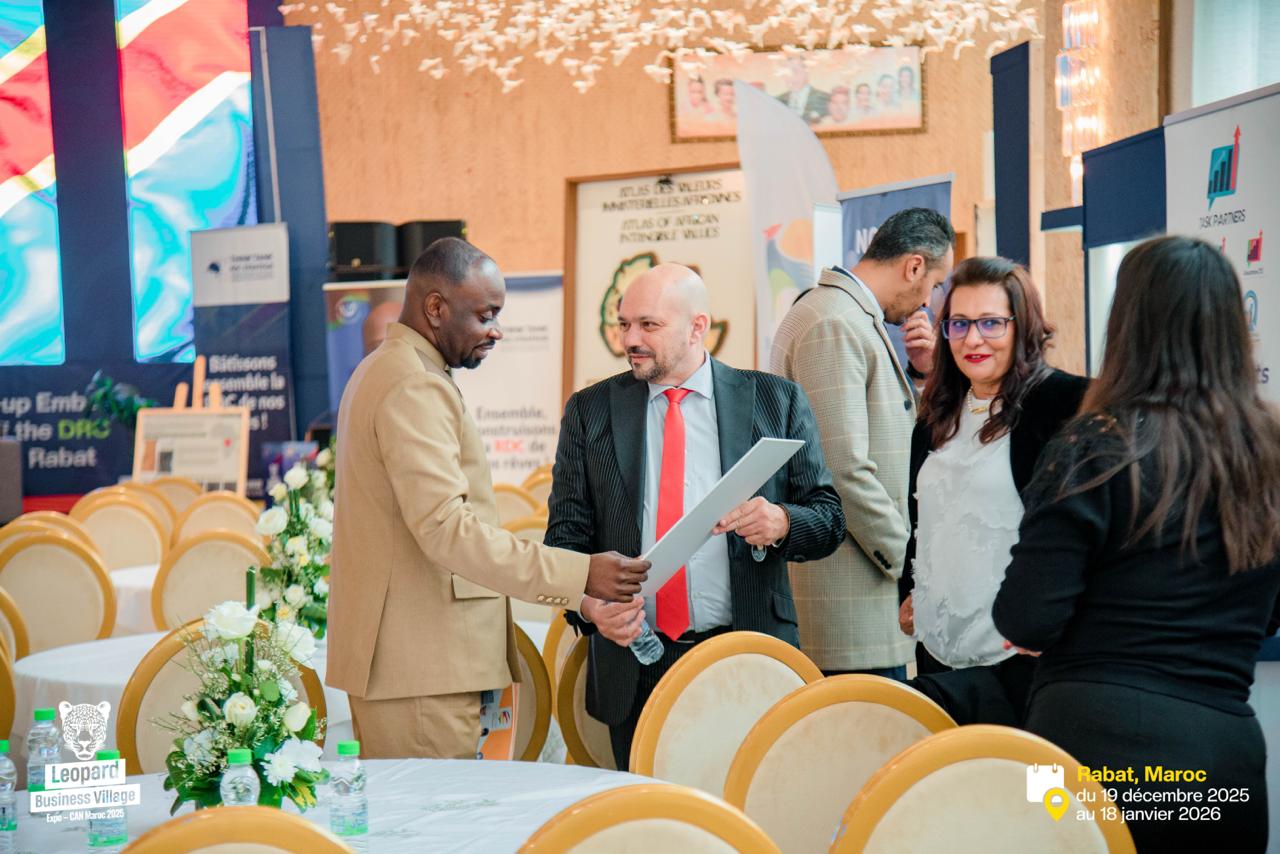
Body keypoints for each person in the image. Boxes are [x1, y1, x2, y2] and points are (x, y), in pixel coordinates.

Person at [993, 236, 1280, 851]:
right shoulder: (1269, 453)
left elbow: (1025, 617)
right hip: (1219, 757)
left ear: (1127, 325)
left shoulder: (1093, 444)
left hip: (1078, 754)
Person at [327, 237, 648, 760]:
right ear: (436, 308)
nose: (496, 330)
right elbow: (447, 529)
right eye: (485, 315)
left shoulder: (396, 368)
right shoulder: (412, 384)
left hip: (416, 667)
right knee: (436, 814)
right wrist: (580, 574)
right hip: (422, 672)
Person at [546, 263, 845, 770]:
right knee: (650, 811)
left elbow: (829, 518)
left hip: (746, 653)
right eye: (625, 324)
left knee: (747, 805)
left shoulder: (774, 400)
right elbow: (564, 540)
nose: (631, 340)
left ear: (697, 327)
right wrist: (591, 607)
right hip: (635, 661)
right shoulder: (590, 411)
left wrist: (782, 522)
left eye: (649, 325)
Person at [898, 257, 1087, 725]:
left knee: (1025, 772)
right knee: (951, 769)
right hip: (939, 653)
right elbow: (924, 519)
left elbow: (1087, 532)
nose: (973, 339)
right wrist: (909, 589)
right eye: (959, 324)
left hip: (1019, 659)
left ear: (1023, 326)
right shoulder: (936, 417)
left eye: (991, 323)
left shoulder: (1065, 405)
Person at [771, 208, 955, 678]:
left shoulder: (849, 315)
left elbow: (888, 434)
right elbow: (844, 469)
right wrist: (911, 563)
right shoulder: (834, 321)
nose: (928, 301)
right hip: (850, 611)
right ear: (914, 266)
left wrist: (921, 375)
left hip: (866, 605)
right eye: (934, 285)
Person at [776, 57, 829, 123]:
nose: (791, 78)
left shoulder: (825, 99)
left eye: (795, 71)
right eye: (786, 73)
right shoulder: (777, 101)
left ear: (806, 72)